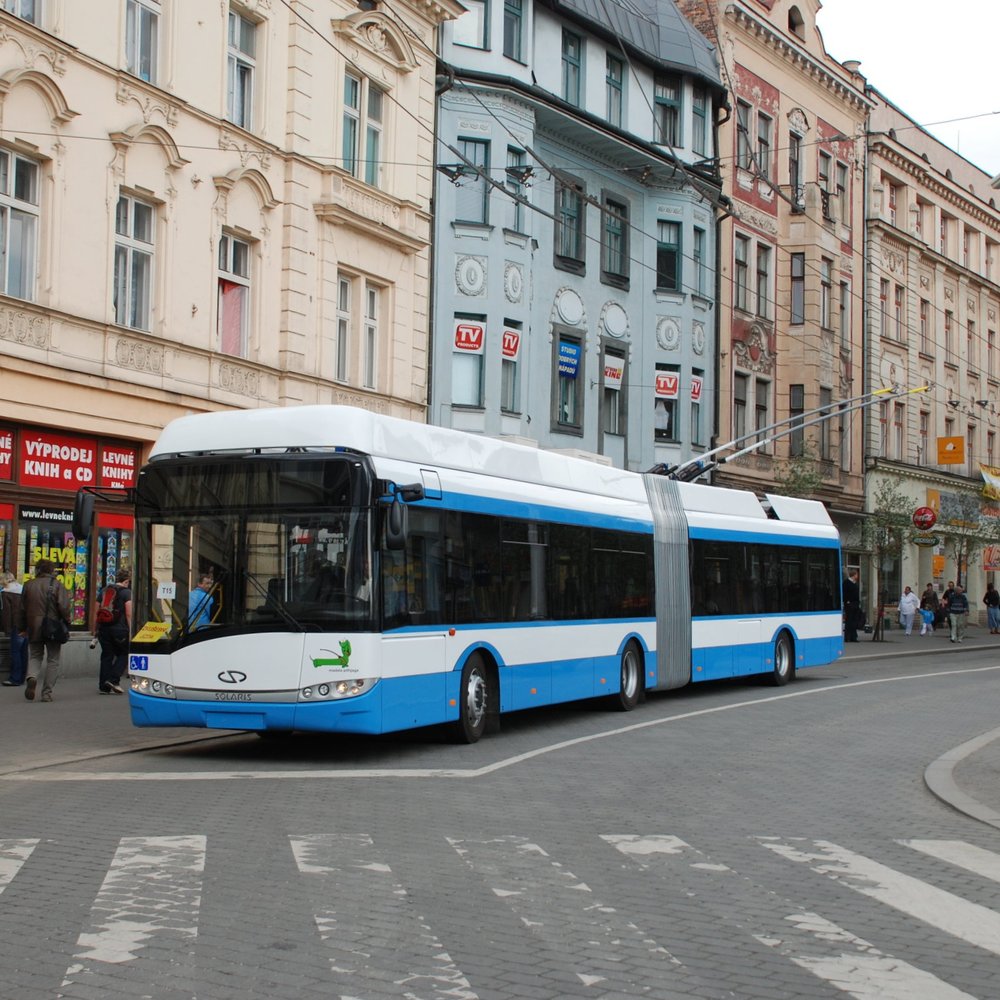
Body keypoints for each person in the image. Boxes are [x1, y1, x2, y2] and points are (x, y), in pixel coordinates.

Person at [17, 559, 71, 702]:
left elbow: (21, 609)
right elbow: (64, 607)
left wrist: (22, 628)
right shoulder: (57, 585)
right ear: (52, 570)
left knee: (35, 655)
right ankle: (46, 693)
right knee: (53, 659)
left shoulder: (28, 585)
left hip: (33, 626)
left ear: (38, 570)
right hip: (53, 627)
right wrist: (67, 621)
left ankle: (32, 677)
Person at [96, 571, 131, 695]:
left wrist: (97, 627)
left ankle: (103, 686)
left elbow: (97, 607)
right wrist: (131, 630)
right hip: (120, 629)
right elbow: (128, 612)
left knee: (106, 655)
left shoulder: (105, 590)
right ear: (126, 581)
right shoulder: (126, 593)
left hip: (104, 627)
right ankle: (113, 680)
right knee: (124, 653)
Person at [1, 572, 28, 687]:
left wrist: (6, 629)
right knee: (23, 652)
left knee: (15, 652)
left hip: (16, 626)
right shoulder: (23, 590)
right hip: (26, 625)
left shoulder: (6, 593)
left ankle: (15, 678)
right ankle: (22, 677)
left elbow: (6, 613)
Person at [842, 570, 861, 642]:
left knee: (854, 620)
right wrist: (847, 601)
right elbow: (845, 593)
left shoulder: (855, 583)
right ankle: (847, 637)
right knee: (849, 620)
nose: (857, 576)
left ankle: (854, 637)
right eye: (857, 575)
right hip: (849, 604)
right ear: (854, 575)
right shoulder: (846, 583)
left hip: (855, 603)